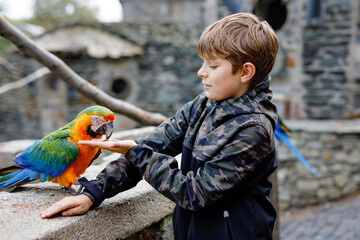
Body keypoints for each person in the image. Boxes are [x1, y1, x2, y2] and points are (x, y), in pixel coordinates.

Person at [40, 12, 279, 240]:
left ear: (246, 72)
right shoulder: (204, 104)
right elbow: (153, 145)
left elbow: (195, 193)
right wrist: (94, 192)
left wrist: (137, 153)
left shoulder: (253, 129)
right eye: (203, 63)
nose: (201, 72)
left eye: (213, 66)